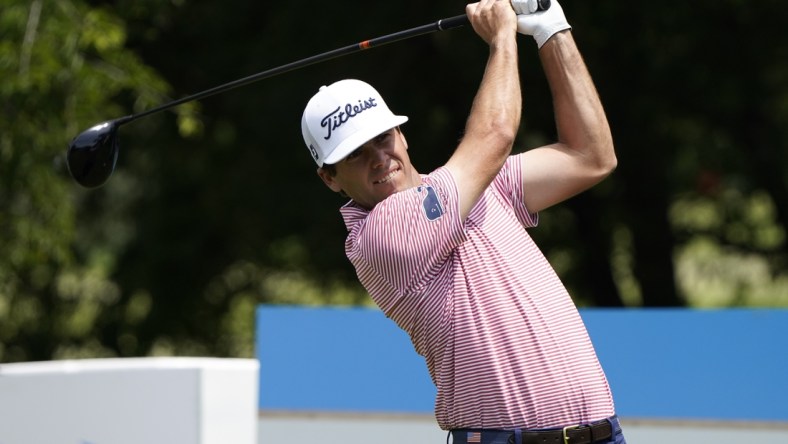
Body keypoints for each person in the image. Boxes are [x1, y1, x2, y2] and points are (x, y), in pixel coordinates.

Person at [300, 0, 626, 443]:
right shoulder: (380, 236)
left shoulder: (476, 184)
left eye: (383, 138)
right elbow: (494, 134)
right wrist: (503, 36)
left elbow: (591, 157)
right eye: (355, 155)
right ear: (329, 179)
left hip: (602, 433)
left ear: (402, 134)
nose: (379, 158)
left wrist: (551, 27)